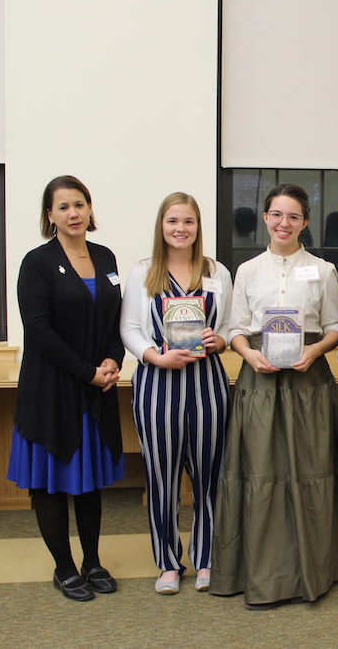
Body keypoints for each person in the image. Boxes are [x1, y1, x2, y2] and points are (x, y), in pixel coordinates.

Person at [211, 183, 338, 609]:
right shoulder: (248, 270)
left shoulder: (324, 270)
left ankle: (315, 568)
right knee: (261, 475)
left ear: (304, 222)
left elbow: (336, 325)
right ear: (265, 218)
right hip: (261, 383)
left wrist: (316, 349)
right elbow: (235, 328)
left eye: (293, 216)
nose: (284, 223)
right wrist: (248, 355)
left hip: (309, 384)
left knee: (312, 472)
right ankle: (261, 572)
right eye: (276, 214)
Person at [7, 175, 125, 602]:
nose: (73, 213)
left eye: (80, 204)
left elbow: (115, 318)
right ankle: (64, 567)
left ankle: (92, 561)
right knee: (53, 481)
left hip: (96, 386)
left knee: (89, 479)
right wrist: (86, 372)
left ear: (90, 209)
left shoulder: (105, 256)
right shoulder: (37, 262)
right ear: (49, 215)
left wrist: (113, 359)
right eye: (63, 207)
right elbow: (38, 329)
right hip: (52, 389)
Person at [120, 192, 233, 595]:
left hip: (207, 386)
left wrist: (220, 341)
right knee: (161, 476)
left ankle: (205, 558)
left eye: (188, 221)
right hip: (157, 384)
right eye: (172, 221)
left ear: (198, 226)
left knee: (209, 476)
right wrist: (153, 355)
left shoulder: (216, 272)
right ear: (161, 226)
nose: (180, 229)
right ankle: (168, 563)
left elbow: (232, 327)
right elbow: (129, 328)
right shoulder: (143, 272)